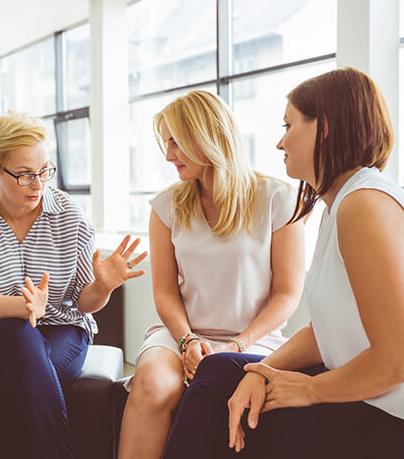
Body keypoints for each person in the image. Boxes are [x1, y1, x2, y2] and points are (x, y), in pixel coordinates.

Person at [163, 67, 404, 458]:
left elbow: (400, 361)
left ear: (322, 127)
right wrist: (263, 370)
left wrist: (306, 390)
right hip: (370, 399)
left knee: (227, 402)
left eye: (288, 125)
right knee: (222, 370)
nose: (279, 142)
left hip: (399, 421)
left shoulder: (365, 207)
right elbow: (328, 329)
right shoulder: (341, 205)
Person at [118, 90, 305, 459]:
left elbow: (287, 294)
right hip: (180, 335)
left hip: (254, 338)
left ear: (208, 136)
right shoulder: (166, 205)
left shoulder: (278, 198)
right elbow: (165, 292)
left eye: (176, 143)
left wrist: (236, 345)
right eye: (166, 143)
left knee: (226, 387)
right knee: (154, 386)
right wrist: (188, 341)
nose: (168, 155)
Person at [0, 110, 146, 459]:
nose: (39, 184)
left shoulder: (71, 216)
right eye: (25, 175)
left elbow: (83, 303)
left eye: (44, 171)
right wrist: (24, 308)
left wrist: (102, 287)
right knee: (20, 334)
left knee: (17, 376)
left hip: (62, 329)